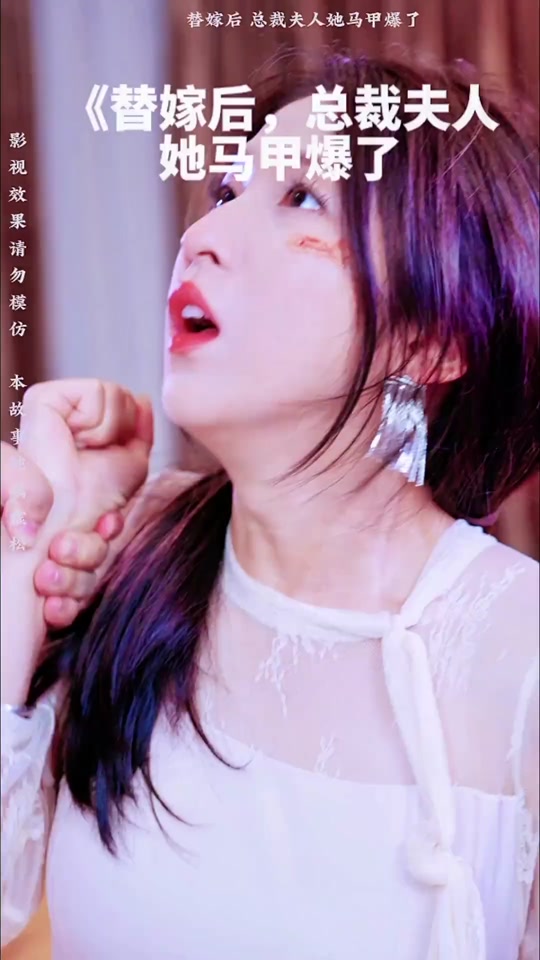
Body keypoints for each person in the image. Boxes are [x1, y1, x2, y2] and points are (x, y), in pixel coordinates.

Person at [1, 49, 539, 960]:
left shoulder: (518, 652)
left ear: (432, 335)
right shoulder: (130, 558)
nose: (203, 236)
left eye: (301, 199)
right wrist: (30, 552)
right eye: (224, 192)